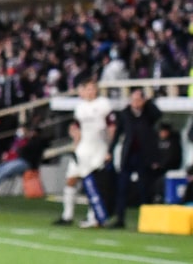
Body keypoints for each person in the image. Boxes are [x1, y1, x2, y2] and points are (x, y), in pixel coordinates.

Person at [56, 78, 114, 228]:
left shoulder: (103, 105)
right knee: (71, 179)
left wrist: (109, 148)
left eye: (92, 88)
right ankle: (67, 215)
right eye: (87, 88)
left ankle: (93, 216)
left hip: (98, 148)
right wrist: (75, 142)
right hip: (83, 148)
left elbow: (111, 128)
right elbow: (77, 128)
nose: (90, 91)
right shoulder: (80, 107)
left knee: (94, 184)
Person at [107, 89, 162, 228]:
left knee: (145, 188)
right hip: (129, 155)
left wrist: (148, 102)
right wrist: (110, 151)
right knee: (122, 188)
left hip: (144, 156)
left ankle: (147, 220)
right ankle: (120, 219)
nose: (135, 103)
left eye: (138, 100)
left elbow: (158, 114)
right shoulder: (125, 114)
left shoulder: (148, 114)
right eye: (133, 100)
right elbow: (118, 134)